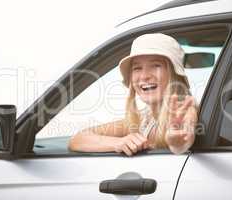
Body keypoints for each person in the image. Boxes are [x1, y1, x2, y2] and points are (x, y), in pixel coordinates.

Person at [68, 33, 198, 155]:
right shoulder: (143, 119)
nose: (144, 76)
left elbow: (182, 141)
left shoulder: (185, 110)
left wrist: (177, 141)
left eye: (156, 66)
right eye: (137, 68)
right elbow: (78, 139)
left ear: (174, 73)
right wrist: (118, 143)